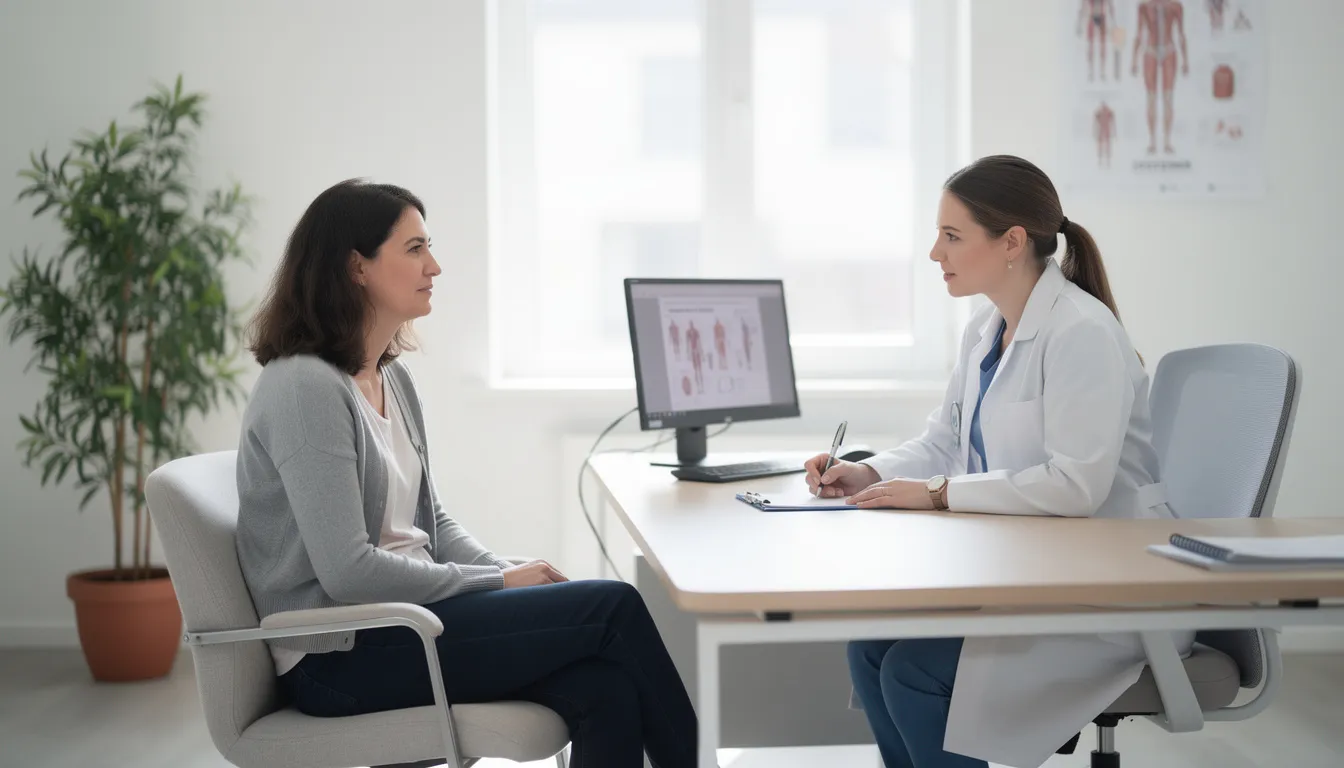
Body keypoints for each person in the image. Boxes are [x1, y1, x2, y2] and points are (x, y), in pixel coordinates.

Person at [235, 179, 697, 768]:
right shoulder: (304, 387)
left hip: (408, 625)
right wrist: (496, 583)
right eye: (414, 249)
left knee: (606, 688)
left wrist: (499, 570)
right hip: (340, 656)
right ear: (356, 266)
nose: (434, 266)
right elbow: (347, 571)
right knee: (613, 607)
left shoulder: (391, 378)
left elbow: (431, 519)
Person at [803, 155, 1190, 768]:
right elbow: (945, 441)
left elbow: (1075, 487)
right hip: (1039, 577)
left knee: (911, 672)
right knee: (869, 649)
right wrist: (871, 472)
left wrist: (937, 494)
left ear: (1012, 242)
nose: (936, 253)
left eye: (952, 236)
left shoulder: (1082, 333)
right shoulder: (986, 329)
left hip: (1110, 596)